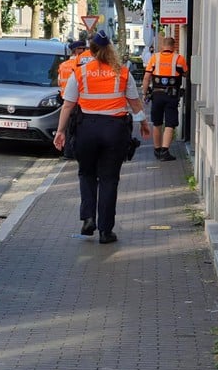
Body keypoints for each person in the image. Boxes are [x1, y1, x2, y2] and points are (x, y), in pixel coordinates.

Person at [53, 31, 150, 244]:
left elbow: (68, 104)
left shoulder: (80, 73)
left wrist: (60, 131)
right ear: (110, 50)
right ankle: (106, 231)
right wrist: (143, 123)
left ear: (92, 51)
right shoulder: (123, 72)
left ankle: (88, 218)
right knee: (109, 179)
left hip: (87, 128)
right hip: (115, 130)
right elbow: (135, 104)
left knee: (86, 174)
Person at [142, 35, 189, 161]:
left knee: (156, 123)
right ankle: (165, 151)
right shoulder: (179, 58)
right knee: (170, 123)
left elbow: (146, 78)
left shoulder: (154, 58)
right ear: (173, 47)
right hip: (171, 95)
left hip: (156, 95)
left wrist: (144, 93)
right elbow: (185, 73)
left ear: (162, 46)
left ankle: (157, 150)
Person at [56, 40, 90, 160]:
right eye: (83, 49)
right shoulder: (78, 65)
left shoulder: (63, 65)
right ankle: (75, 152)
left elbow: (59, 82)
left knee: (68, 127)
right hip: (78, 101)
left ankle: (68, 153)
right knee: (78, 127)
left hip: (66, 99)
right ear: (77, 50)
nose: (85, 51)